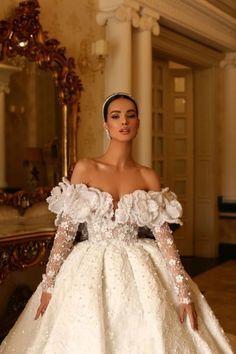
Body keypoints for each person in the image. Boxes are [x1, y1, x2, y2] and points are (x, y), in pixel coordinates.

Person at [0, 92, 234, 354]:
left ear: (138, 123)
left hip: (140, 263)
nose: (124, 121)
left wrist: (182, 290)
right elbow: (66, 232)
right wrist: (50, 282)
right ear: (106, 125)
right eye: (116, 116)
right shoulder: (86, 168)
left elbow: (164, 238)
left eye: (130, 115)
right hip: (89, 264)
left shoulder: (147, 176)